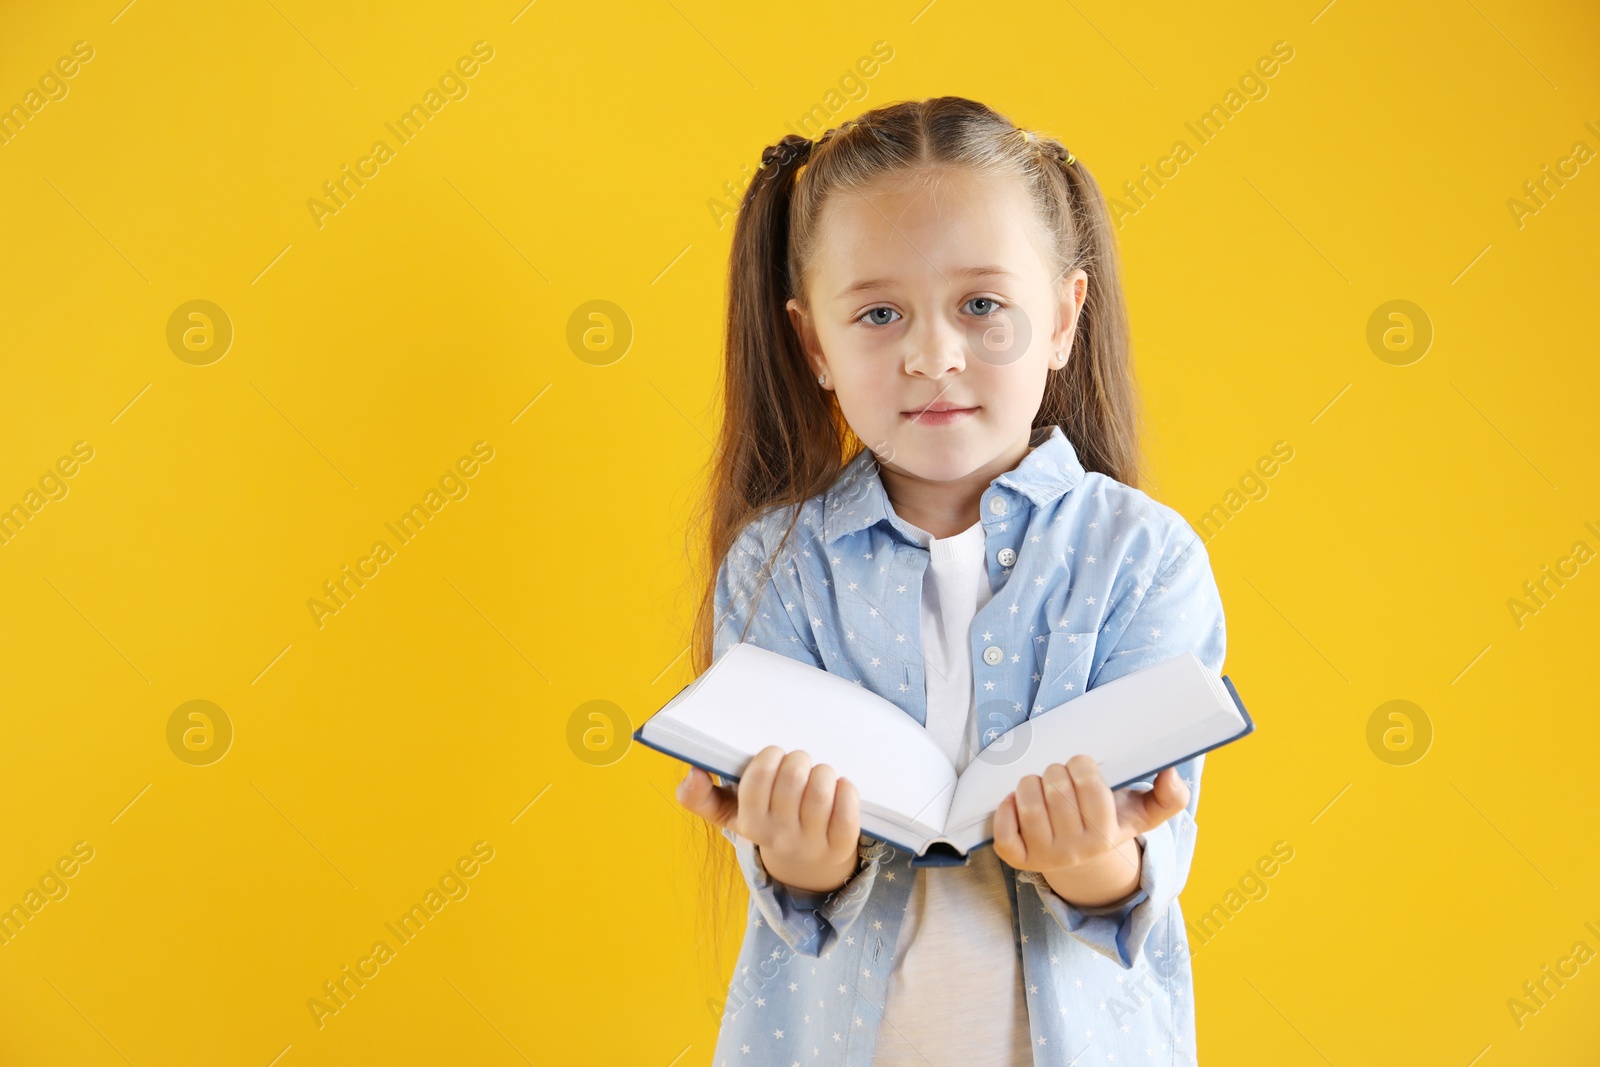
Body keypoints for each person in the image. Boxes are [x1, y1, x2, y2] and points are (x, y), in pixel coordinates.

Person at [675, 95, 1227, 1067]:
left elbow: (1140, 880)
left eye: (981, 304)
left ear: (1061, 318)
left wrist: (1082, 851)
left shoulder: (1144, 559)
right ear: (815, 347)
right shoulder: (776, 567)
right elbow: (794, 890)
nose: (933, 354)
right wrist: (800, 850)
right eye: (878, 313)